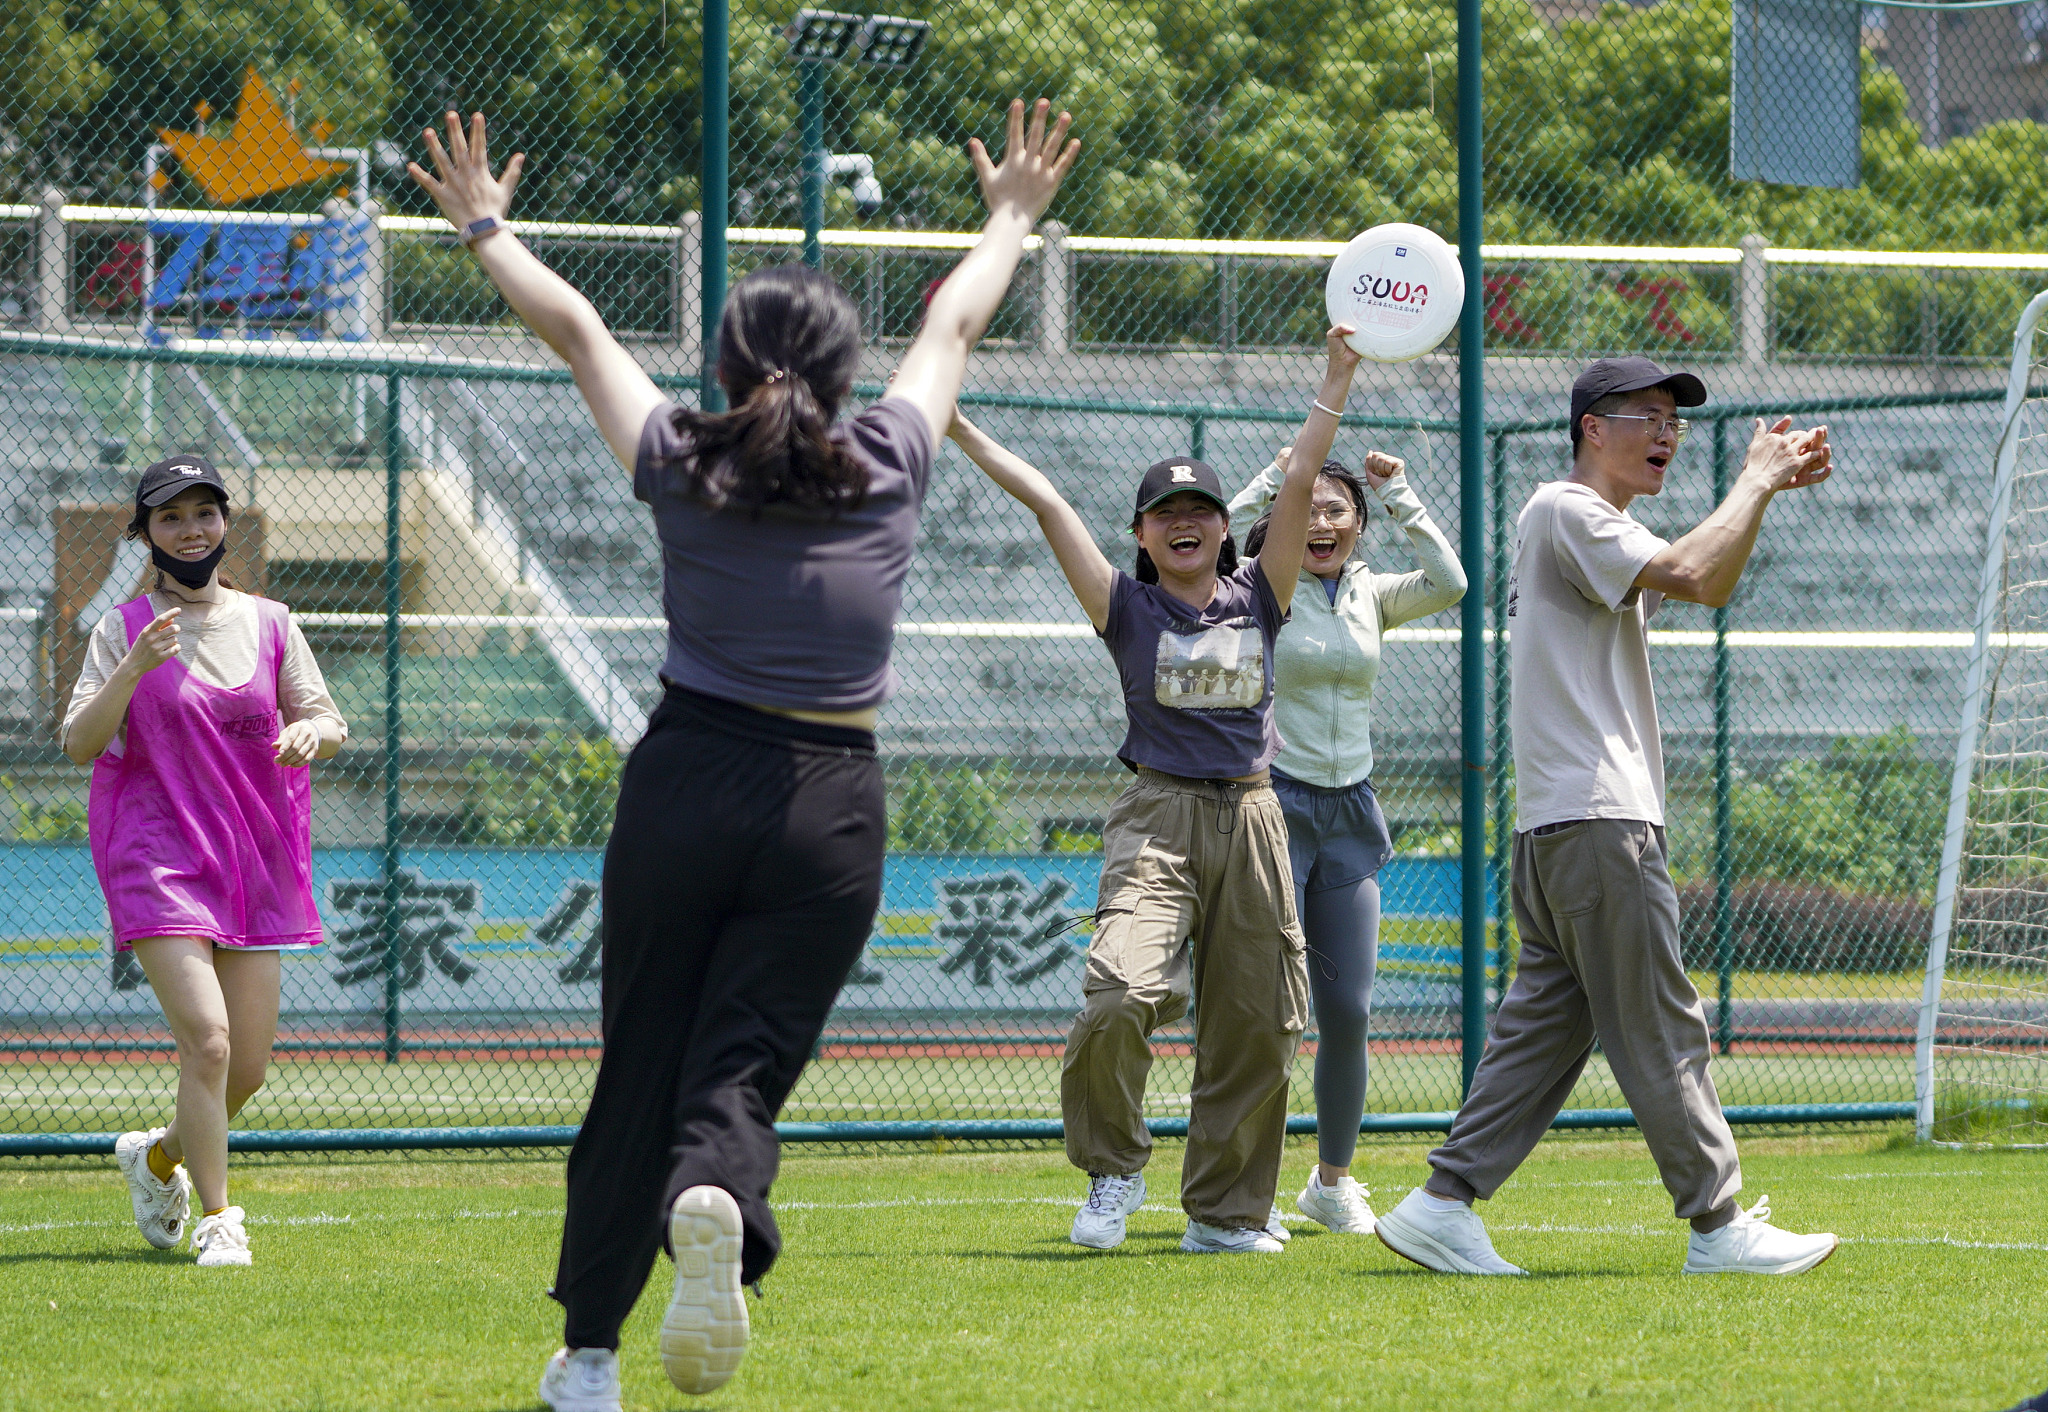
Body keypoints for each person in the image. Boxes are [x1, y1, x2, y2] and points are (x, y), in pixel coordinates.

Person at [406, 100, 1078, 1408]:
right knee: (741, 1058)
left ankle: (590, 1357)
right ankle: (716, 1190)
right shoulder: (887, 461)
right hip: (827, 802)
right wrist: (1010, 213)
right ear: (841, 371)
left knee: (639, 1060)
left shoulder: (680, 457)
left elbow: (577, 329)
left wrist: (484, 222)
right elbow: (954, 326)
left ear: (723, 367)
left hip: (686, 779)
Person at [1373, 356, 1843, 1276]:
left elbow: (1708, 576)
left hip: (1563, 825)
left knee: (1550, 1022)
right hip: (1598, 820)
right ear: (1594, 425)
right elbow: (1696, 573)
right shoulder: (1568, 509)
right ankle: (1718, 1225)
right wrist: (1755, 477)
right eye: (1649, 415)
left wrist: (1766, 491)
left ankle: (1442, 1203)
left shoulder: (1590, 528)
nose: (1668, 433)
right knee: (1665, 1020)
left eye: (1676, 419)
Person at [946, 325, 1362, 1257]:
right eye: (1164, 510)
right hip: (1157, 816)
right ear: (1141, 534)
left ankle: (1224, 1214)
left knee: (1259, 1023)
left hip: (1254, 814)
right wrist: (961, 430)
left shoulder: (1263, 592)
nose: (1184, 520)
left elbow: (1299, 483)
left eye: (1201, 508)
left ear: (1224, 526)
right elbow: (1048, 500)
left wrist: (1335, 376)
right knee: (1118, 993)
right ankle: (1114, 1168)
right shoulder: (1123, 606)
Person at [69, 455, 347, 1269]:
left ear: (225, 523)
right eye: (170, 517)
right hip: (157, 857)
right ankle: (222, 1219)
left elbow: (330, 721)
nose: (190, 529)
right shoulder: (122, 629)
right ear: (145, 533)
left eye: (204, 513)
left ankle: (157, 1157)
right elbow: (80, 742)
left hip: (255, 861)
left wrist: (310, 735)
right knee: (211, 1044)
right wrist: (131, 669)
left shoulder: (271, 622)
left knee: (247, 1071)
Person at [1226, 443, 1465, 1234]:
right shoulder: (1260, 587)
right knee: (1269, 1008)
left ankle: (1330, 1183)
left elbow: (1451, 583)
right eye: (1311, 509)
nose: (1323, 523)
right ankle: (1242, 1188)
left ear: (1359, 525)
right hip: (1273, 808)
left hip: (1350, 812)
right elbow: (1209, 542)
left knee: (1349, 1011)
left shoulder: (1373, 594)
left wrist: (1400, 492)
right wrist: (1279, 477)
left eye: (1338, 509)